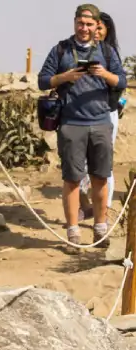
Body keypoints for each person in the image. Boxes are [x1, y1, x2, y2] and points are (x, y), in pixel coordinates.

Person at [37, 4, 128, 250]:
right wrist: (65, 77)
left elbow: (122, 80)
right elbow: (43, 81)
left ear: (96, 25)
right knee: (72, 180)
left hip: (100, 122)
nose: (84, 28)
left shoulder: (107, 51)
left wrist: (104, 74)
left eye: (89, 24)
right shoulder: (61, 49)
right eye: (80, 23)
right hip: (70, 123)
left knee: (100, 178)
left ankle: (100, 229)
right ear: (74, 22)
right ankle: (73, 231)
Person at [77, 11, 125, 221]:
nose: (95, 32)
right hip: (81, 115)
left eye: (100, 28)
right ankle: (85, 206)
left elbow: (119, 85)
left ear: (106, 32)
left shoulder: (109, 55)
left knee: (103, 163)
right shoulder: (78, 51)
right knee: (81, 163)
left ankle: (103, 210)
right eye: (93, 27)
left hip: (106, 113)